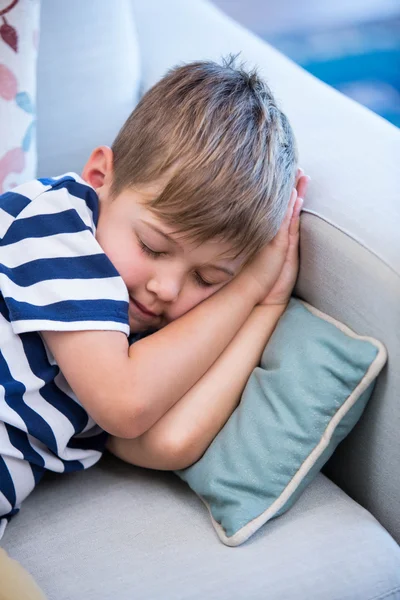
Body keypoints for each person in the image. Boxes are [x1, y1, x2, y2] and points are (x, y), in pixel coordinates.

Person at [0, 56, 309, 541]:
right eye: (152, 247)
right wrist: (247, 287)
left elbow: (166, 442)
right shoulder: (54, 226)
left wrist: (265, 304)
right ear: (101, 177)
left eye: (208, 278)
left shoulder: (131, 342)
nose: (167, 289)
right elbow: (126, 405)